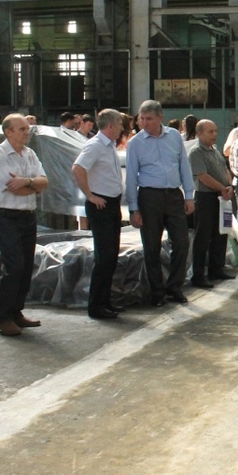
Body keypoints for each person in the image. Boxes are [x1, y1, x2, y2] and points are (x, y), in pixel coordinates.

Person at [125, 100, 196, 307]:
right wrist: (133, 209)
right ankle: (157, 291)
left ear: (160, 118)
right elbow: (131, 177)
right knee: (151, 246)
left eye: (149, 119)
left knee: (182, 242)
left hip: (174, 195)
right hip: (149, 198)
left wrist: (189, 195)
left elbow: (184, 164)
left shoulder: (174, 136)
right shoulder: (135, 143)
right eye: (141, 119)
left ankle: (174, 286)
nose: (144, 123)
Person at [0, 113, 49, 336]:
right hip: (6, 216)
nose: (26, 132)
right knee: (14, 266)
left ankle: (16, 312)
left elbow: (44, 182)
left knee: (26, 265)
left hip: (27, 216)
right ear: (8, 131)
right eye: (21, 128)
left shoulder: (29, 154)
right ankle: (3, 318)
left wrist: (28, 182)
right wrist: (32, 185)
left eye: (27, 128)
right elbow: (15, 189)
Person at [72, 108, 126, 320]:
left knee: (111, 256)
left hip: (111, 204)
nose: (122, 128)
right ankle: (96, 306)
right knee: (104, 257)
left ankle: (106, 300)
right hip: (100, 205)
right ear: (111, 125)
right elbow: (78, 168)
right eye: (120, 124)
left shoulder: (109, 145)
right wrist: (90, 195)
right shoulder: (95, 145)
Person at [188, 119, 235, 288]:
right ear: (199, 133)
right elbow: (203, 176)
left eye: (215, 131)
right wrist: (223, 188)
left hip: (221, 197)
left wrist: (229, 186)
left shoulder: (215, 151)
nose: (214, 134)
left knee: (220, 233)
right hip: (205, 197)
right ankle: (198, 275)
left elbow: (224, 170)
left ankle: (217, 268)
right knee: (203, 236)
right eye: (210, 131)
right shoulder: (196, 153)